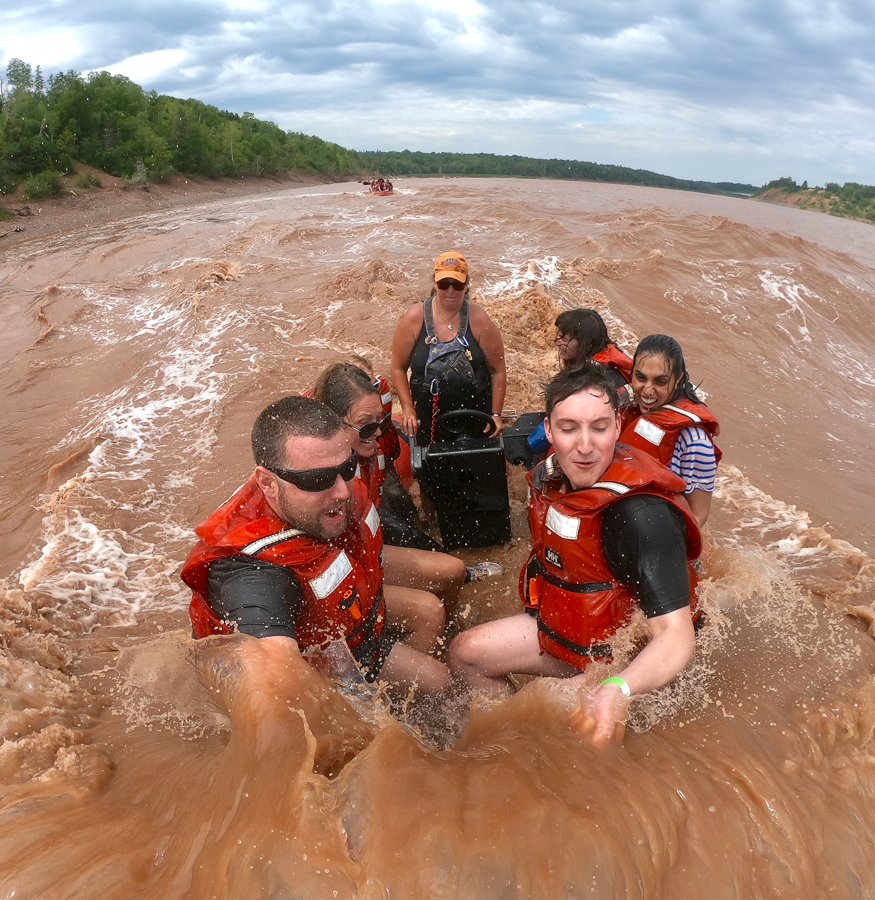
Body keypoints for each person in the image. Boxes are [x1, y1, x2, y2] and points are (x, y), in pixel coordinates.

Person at [449, 362, 702, 747]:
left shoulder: (644, 517)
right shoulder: (552, 477)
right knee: (466, 654)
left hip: (630, 662)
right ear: (548, 430)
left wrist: (619, 687)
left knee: (557, 708)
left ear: (618, 426)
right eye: (569, 429)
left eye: (599, 428)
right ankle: (511, 748)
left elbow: (676, 636)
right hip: (576, 634)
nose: (585, 446)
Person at [180, 395, 450, 697]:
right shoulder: (250, 572)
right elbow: (270, 681)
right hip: (317, 668)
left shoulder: (330, 487)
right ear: (268, 483)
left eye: (347, 468)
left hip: (353, 635)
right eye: (317, 479)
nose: (341, 491)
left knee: (440, 680)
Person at [311, 362, 503, 652]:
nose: (377, 433)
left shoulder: (371, 443)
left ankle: (448, 638)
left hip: (364, 549)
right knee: (428, 609)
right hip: (341, 572)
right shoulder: (316, 475)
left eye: (382, 422)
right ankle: (422, 661)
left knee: (453, 569)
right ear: (332, 423)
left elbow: (384, 488)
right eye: (367, 426)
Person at [391, 251, 506, 445]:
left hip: (475, 412)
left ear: (467, 284)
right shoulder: (415, 318)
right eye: (444, 284)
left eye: (457, 284)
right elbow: (398, 368)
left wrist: (496, 414)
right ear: (435, 283)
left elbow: (498, 370)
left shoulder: (479, 320)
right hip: (429, 416)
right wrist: (408, 408)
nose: (450, 291)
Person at [620, 334, 720, 529]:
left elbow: (697, 517)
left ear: (677, 380)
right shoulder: (625, 408)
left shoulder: (696, 443)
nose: (647, 390)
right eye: (640, 378)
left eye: (660, 381)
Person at [554, 308, 633, 391]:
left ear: (586, 346)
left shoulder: (597, 380)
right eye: (559, 336)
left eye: (564, 339)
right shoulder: (591, 357)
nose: (557, 343)